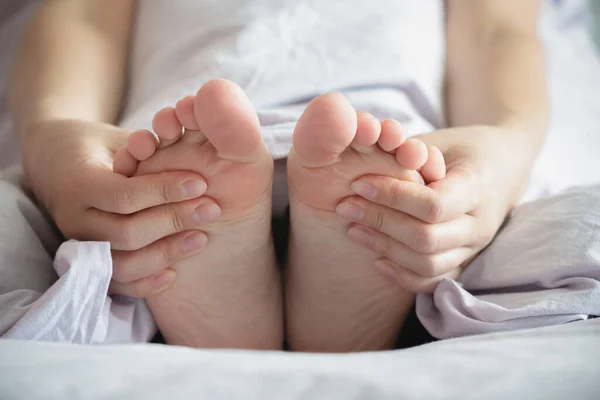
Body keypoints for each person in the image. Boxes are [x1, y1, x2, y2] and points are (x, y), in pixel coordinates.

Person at [7, 0, 547, 351]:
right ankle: (329, 288)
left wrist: (504, 146)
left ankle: (227, 306)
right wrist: (55, 132)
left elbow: (498, 28)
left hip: (198, 145)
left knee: (184, 180)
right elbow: (80, 15)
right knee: (377, 177)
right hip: (193, 142)